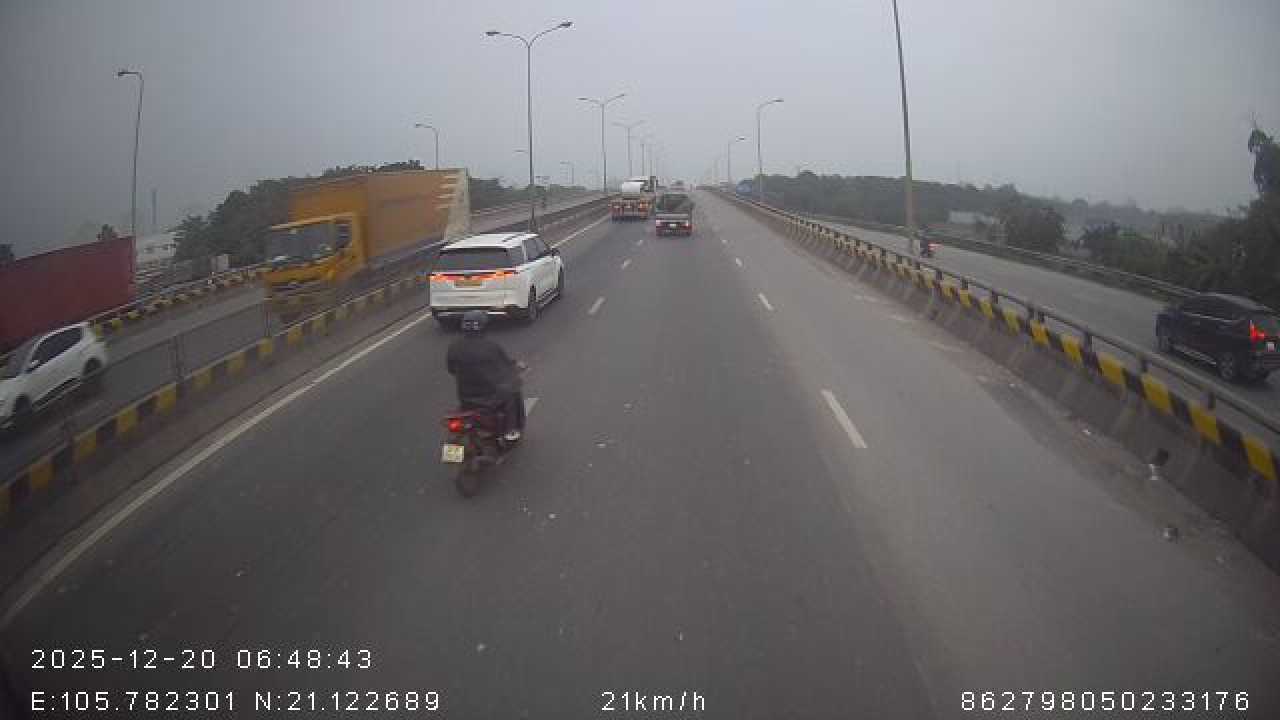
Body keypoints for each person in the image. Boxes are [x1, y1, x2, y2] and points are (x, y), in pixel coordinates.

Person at [446, 310, 525, 441]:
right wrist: (515, 367)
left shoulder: (453, 347)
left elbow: (451, 370)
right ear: (484, 326)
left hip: (465, 397)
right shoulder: (491, 347)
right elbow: (505, 365)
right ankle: (510, 430)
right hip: (490, 397)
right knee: (513, 392)